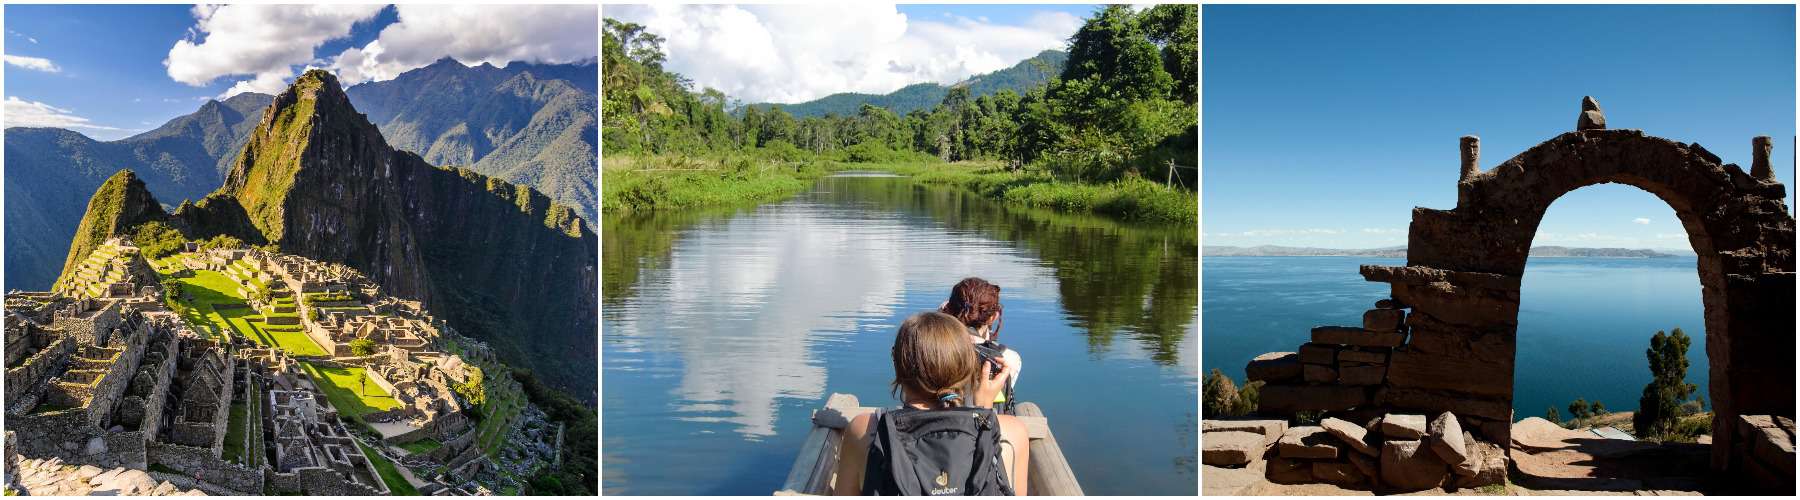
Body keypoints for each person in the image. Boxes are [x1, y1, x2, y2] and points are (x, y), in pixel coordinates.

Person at [834, 312, 1030, 496]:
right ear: (967, 367)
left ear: (898, 364)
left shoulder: (865, 430)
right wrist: (983, 412)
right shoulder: (1012, 431)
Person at [940, 277, 1022, 410]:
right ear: (993, 317)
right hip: (985, 418)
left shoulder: (931, 346)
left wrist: (941, 317)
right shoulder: (1008, 358)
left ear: (948, 310)